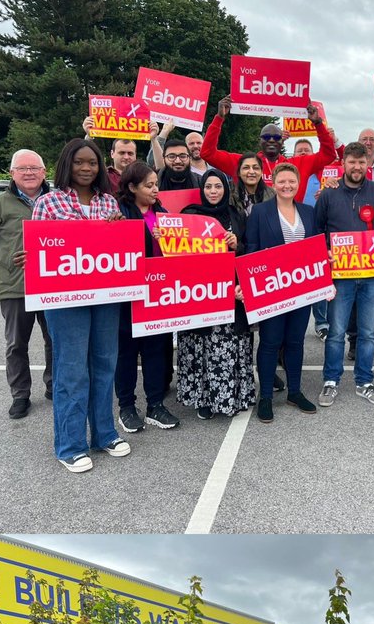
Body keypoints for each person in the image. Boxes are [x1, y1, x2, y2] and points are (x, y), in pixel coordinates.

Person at [30, 138, 131, 474]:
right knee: (72, 369)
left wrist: (120, 233)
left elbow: (120, 247)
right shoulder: (49, 202)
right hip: (65, 299)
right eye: (79, 162)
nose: (86, 168)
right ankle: (70, 445)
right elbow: (41, 251)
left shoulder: (108, 203)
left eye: (92, 163)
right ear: (67, 164)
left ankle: (104, 434)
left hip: (105, 295)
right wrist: (29, 259)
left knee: (104, 364)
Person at [310, 142, 374, 410]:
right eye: (352, 162)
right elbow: (317, 232)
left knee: (367, 332)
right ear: (343, 164)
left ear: (367, 163)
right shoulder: (328, 195)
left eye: (361, 162)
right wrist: (324, 252)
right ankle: (331, 381)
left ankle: (365, 381)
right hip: (341, 275)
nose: (357, 167)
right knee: (337, 331)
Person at [0, 149, 53, 419]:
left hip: (54, 285)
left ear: (44, 172)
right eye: (22, 168)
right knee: (16, 344)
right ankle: (20, 394)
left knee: (54, 340)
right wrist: (6, 262)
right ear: (12, 173)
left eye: (34, 168)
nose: (29, 173)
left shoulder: (56, 200)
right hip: (15, 288)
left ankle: (53, 386)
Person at [245, 162, 323, 422]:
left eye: (291, 181)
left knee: (295, 342)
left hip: (302, 289)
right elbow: (252, 249)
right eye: (282, 181)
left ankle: (295, 391)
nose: (287, 185)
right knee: (269, 342)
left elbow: (317, 249)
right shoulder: (260, 211)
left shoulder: (309, 212)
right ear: (273, 183)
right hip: (272, 288)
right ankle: (265, 396)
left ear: (298, 184)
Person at [176, 170, 255, 419]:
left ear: (225, 189)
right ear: (202, 189)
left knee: (229, 347)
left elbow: (249, 250)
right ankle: (204, 399)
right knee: (202, 348)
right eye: (208, 186)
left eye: (218, 186)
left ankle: (232, 396)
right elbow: (178, 255)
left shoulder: (236, 214)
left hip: (233, 294)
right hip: (201, 294)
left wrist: (237, 245)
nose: (213, 191)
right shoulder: (190, 214)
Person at [114, 161, 179, 434]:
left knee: (156, 351)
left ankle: (155, 405)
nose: (155, 189)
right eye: (149, 185)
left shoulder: (162, 212)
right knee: (127, 353)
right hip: (127, 295)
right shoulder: (118, 212)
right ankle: (127, 407)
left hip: (157, 294)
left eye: (156, 184)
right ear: (132, 187)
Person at [202, 97, 338, 191]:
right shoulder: (243, 164)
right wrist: (219, 118)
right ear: (260, 140)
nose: (271, 140)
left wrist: (318, 123)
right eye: (266, 137)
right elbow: (207, 153)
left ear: (282, 141)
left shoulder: (298, 165)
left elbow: (329, 155)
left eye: (276, 137)